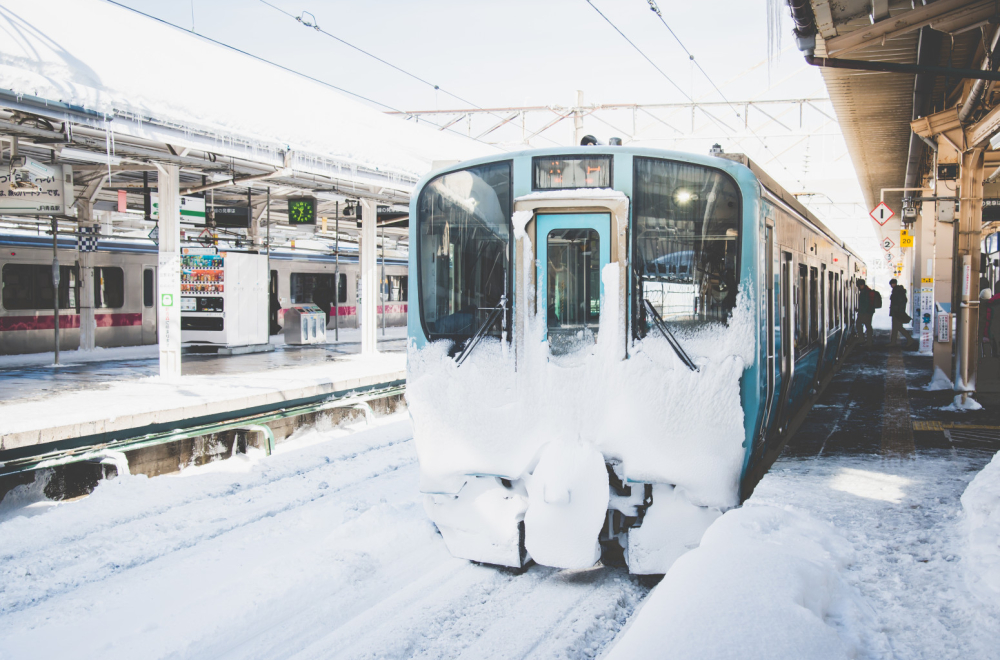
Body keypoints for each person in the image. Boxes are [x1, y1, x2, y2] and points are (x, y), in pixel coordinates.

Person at [889, 278, 915, 348]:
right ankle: (893, 342)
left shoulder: (897, 291)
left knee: (898, 327)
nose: (891, 285)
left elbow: (899, 303)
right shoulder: (898, 291)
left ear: (893, 284)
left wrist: (899, 312)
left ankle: (910, 339)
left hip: (897, 313)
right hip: (897, 312)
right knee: (895, 328)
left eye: (892, 284)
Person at [856, 278, 875, 346]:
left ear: (862, 285)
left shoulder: (865, 292)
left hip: (865, 313)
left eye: (859, 286)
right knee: (868, 326)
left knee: (859, 324)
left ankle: (864, 340)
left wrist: (861, 311)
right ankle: (868, 340)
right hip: (869, 312)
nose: (858, 288)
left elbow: (865, 304)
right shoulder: (867, 290)